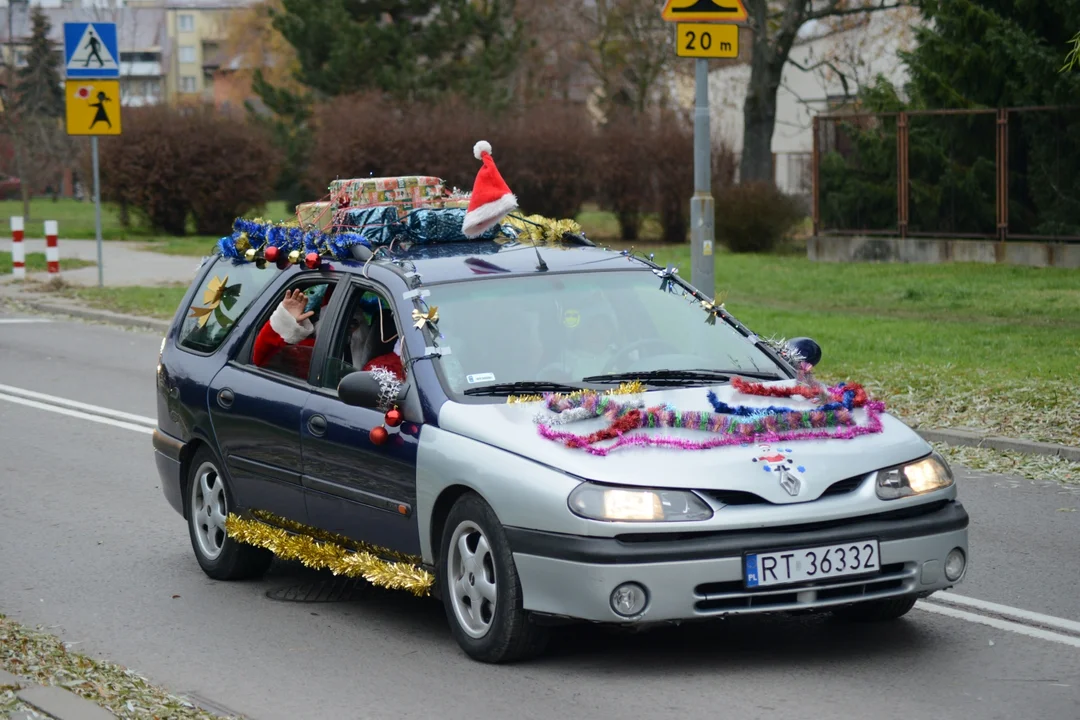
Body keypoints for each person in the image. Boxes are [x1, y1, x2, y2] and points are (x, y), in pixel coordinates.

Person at [253, 288, 405, 380]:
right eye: (344, 325)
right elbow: (262, 360)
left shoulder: (382, 358)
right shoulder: (309, 350)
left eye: (354, 324)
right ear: (325, 325)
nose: (349, 331)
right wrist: (284, 322)